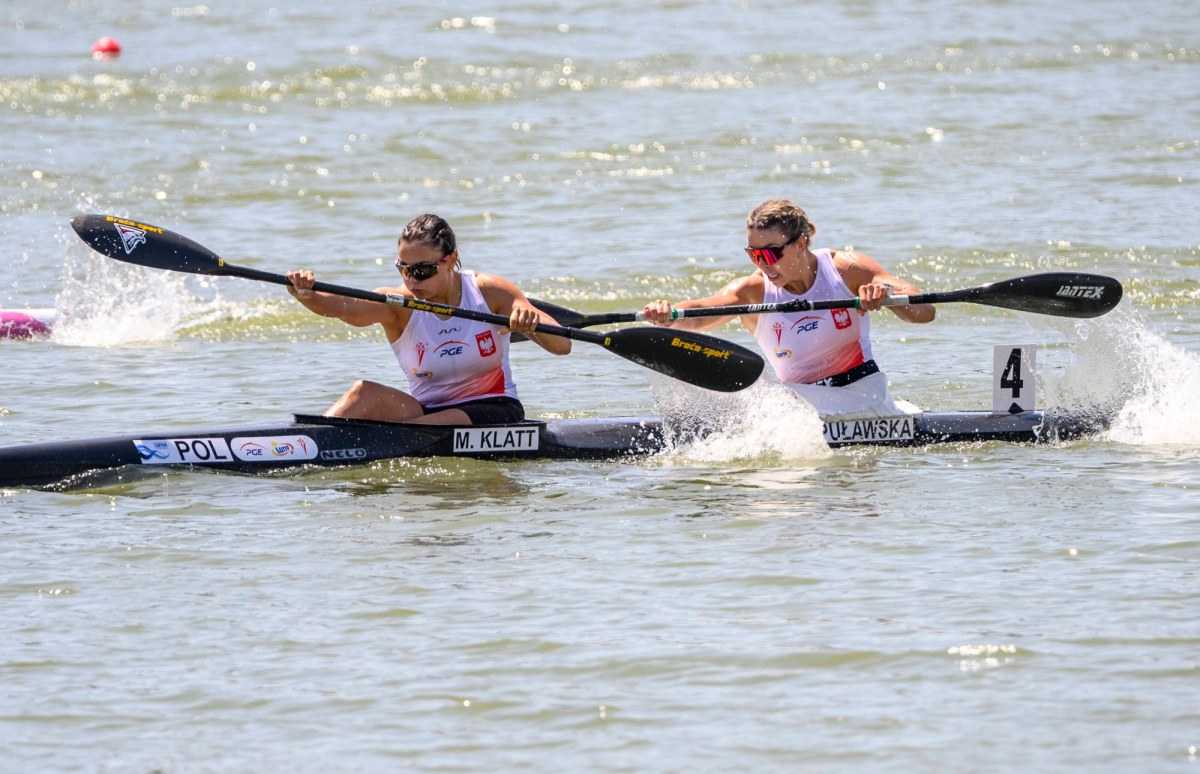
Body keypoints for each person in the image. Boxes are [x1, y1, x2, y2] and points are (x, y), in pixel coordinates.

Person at [642, 198, 935, 417]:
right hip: (798, 402)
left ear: (799, 244)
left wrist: (884, 293)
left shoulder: (846, 269)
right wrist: (668, 316)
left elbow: (925, 312)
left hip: (863, 394)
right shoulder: (753, 291)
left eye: (770, 253)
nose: (762, 264)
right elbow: (698, 313)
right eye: (753, 254)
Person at [286, 213, 570, 425]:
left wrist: (529, 320)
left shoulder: (488, 291)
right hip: (428, 412)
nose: (411, 279)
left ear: (450, 259)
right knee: (363, 393)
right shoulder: (399, 304)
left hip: (494, 408)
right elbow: (344, 306)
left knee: (421, 427)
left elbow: (562, 345)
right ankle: (307, 442)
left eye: (422, 270)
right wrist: (306, 294)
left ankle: (391, 440)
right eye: (404, 269)